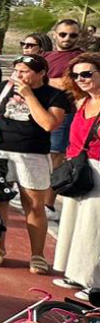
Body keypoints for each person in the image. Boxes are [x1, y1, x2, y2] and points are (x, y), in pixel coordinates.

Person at [0, 55, 67, 272]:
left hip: (32, 155)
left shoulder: (55, 96)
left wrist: (28, 95)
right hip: (0, 152)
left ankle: (37, 256)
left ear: (42, 73)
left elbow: (49, 124)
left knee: (34, 206)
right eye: (17, 70)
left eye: (24, 71)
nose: (18, 75)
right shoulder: (5, 87)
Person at [52, 53, 100, 300]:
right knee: (72, 222)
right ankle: (75, 272)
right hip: (77, 167)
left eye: (87, 73)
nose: (81, 79)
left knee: (93, 228)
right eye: (76, 75)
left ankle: (94, 283)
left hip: (98, 169)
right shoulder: (84, 102)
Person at [46, 19, 85, 211]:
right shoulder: (47, 56)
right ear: (55, 34)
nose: (67, 38)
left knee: (56, 158)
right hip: (37, 112)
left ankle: (48, 204)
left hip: (63, 114)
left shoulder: (81, 59)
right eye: (63, 34)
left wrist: (40, 80)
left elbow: (69, 84)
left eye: (73, 35)